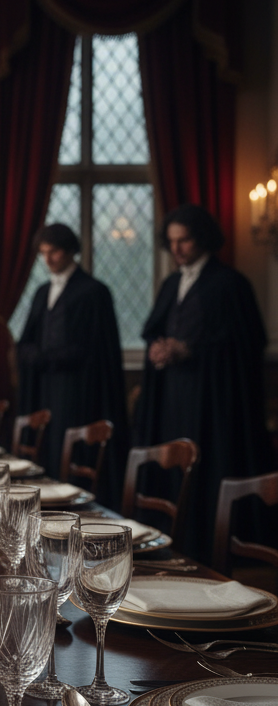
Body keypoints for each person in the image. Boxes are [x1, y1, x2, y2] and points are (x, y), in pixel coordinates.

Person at [134, 204, 269, 557]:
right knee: (175, 468)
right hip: (172, 397)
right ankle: (174, 543)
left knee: (207, 467)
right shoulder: (172, 282)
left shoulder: (230, 284)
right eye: (172, 241)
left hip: (212, 399)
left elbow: (246, 344)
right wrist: (158, 349)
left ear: (203, 238)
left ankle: (207, 547)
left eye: (186, 240)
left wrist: (189, 349)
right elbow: (155, 329)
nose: (177, 249)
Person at [16, 223, 128, 507]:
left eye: (53, 252)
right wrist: (28, 354)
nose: (48, 259)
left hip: (77, 391)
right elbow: (27, 338)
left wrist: (43, 357)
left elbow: (92, 349)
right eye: (43, 253)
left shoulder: (93, 291)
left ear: (69, 251)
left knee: (70, 455)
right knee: (47, 450)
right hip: (44, 388)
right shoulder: (43, 291)